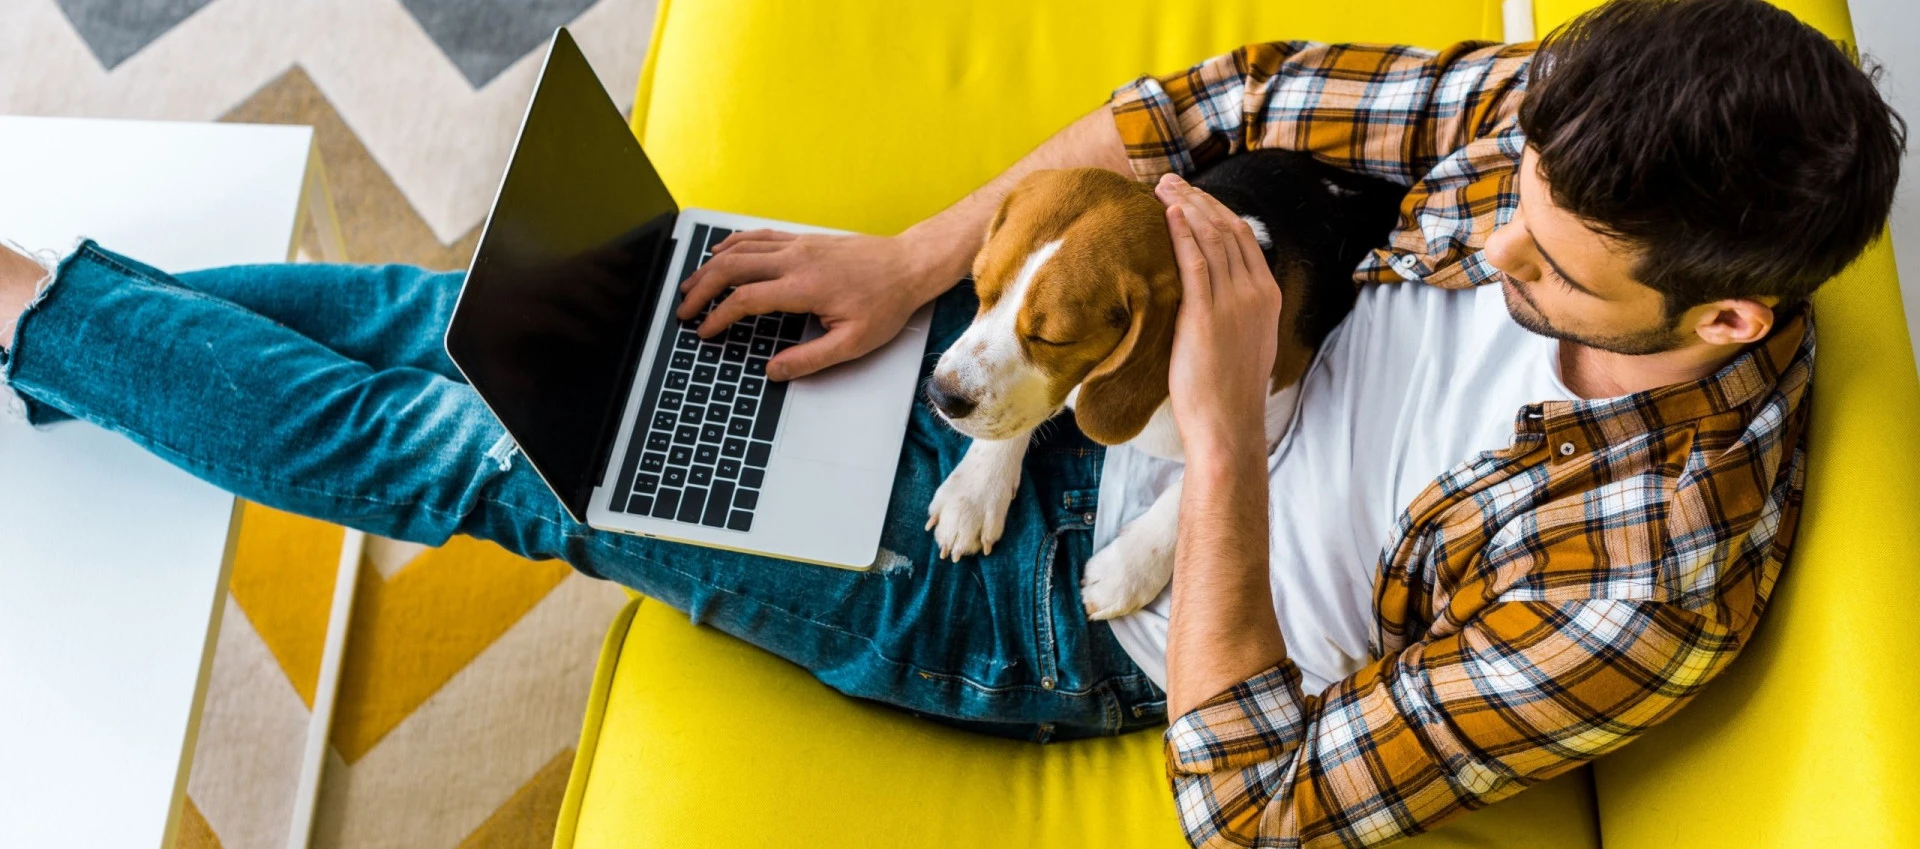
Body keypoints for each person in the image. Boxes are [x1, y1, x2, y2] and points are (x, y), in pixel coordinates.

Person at [0, 0, 1903, 844]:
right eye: (1510, 211)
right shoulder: (1545, 136)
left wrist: (1226, 435)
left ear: (1724, 318)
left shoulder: (1649, 574)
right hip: (1043, 378)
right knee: (519, 327)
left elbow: (1250, 803)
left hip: (1045, 610)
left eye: (1556, 271)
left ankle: (31, 311)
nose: (1494, 255)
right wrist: (916, 271)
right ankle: (52, 336)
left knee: (483, 451)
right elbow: (1203, 99)